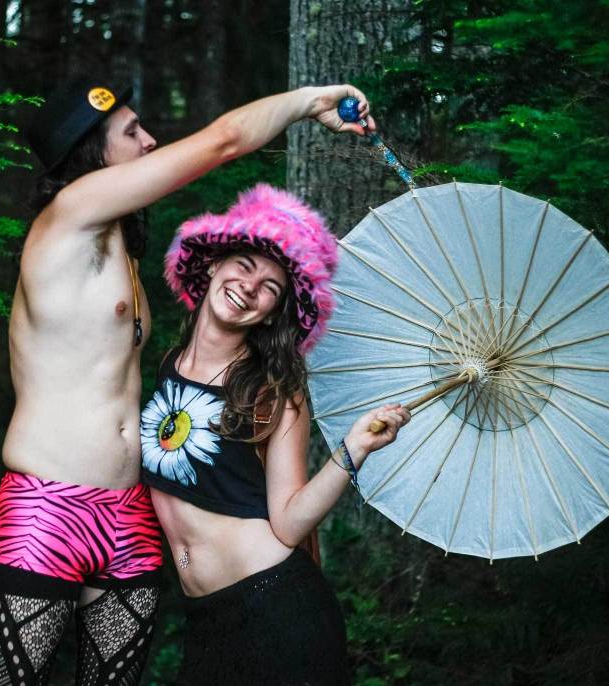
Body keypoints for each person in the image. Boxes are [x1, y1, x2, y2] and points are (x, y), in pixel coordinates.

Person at [0, 79, 378, 686]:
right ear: (91, 152)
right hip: (49, 504)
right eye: (132, 132)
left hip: (129, 517)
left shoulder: (121, 253)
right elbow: (223, 142)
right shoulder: (69, 216)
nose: (150, 141)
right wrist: (308, 102)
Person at [141, 184, 411, 685]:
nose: (250, 286)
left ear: (271, 312)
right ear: (215, 266)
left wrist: (353, 450)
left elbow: (288, 524)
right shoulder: (168, 366)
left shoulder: (272, 390)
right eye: (244, 265)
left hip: (275, 608)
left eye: (270, 286)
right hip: (203, 619)